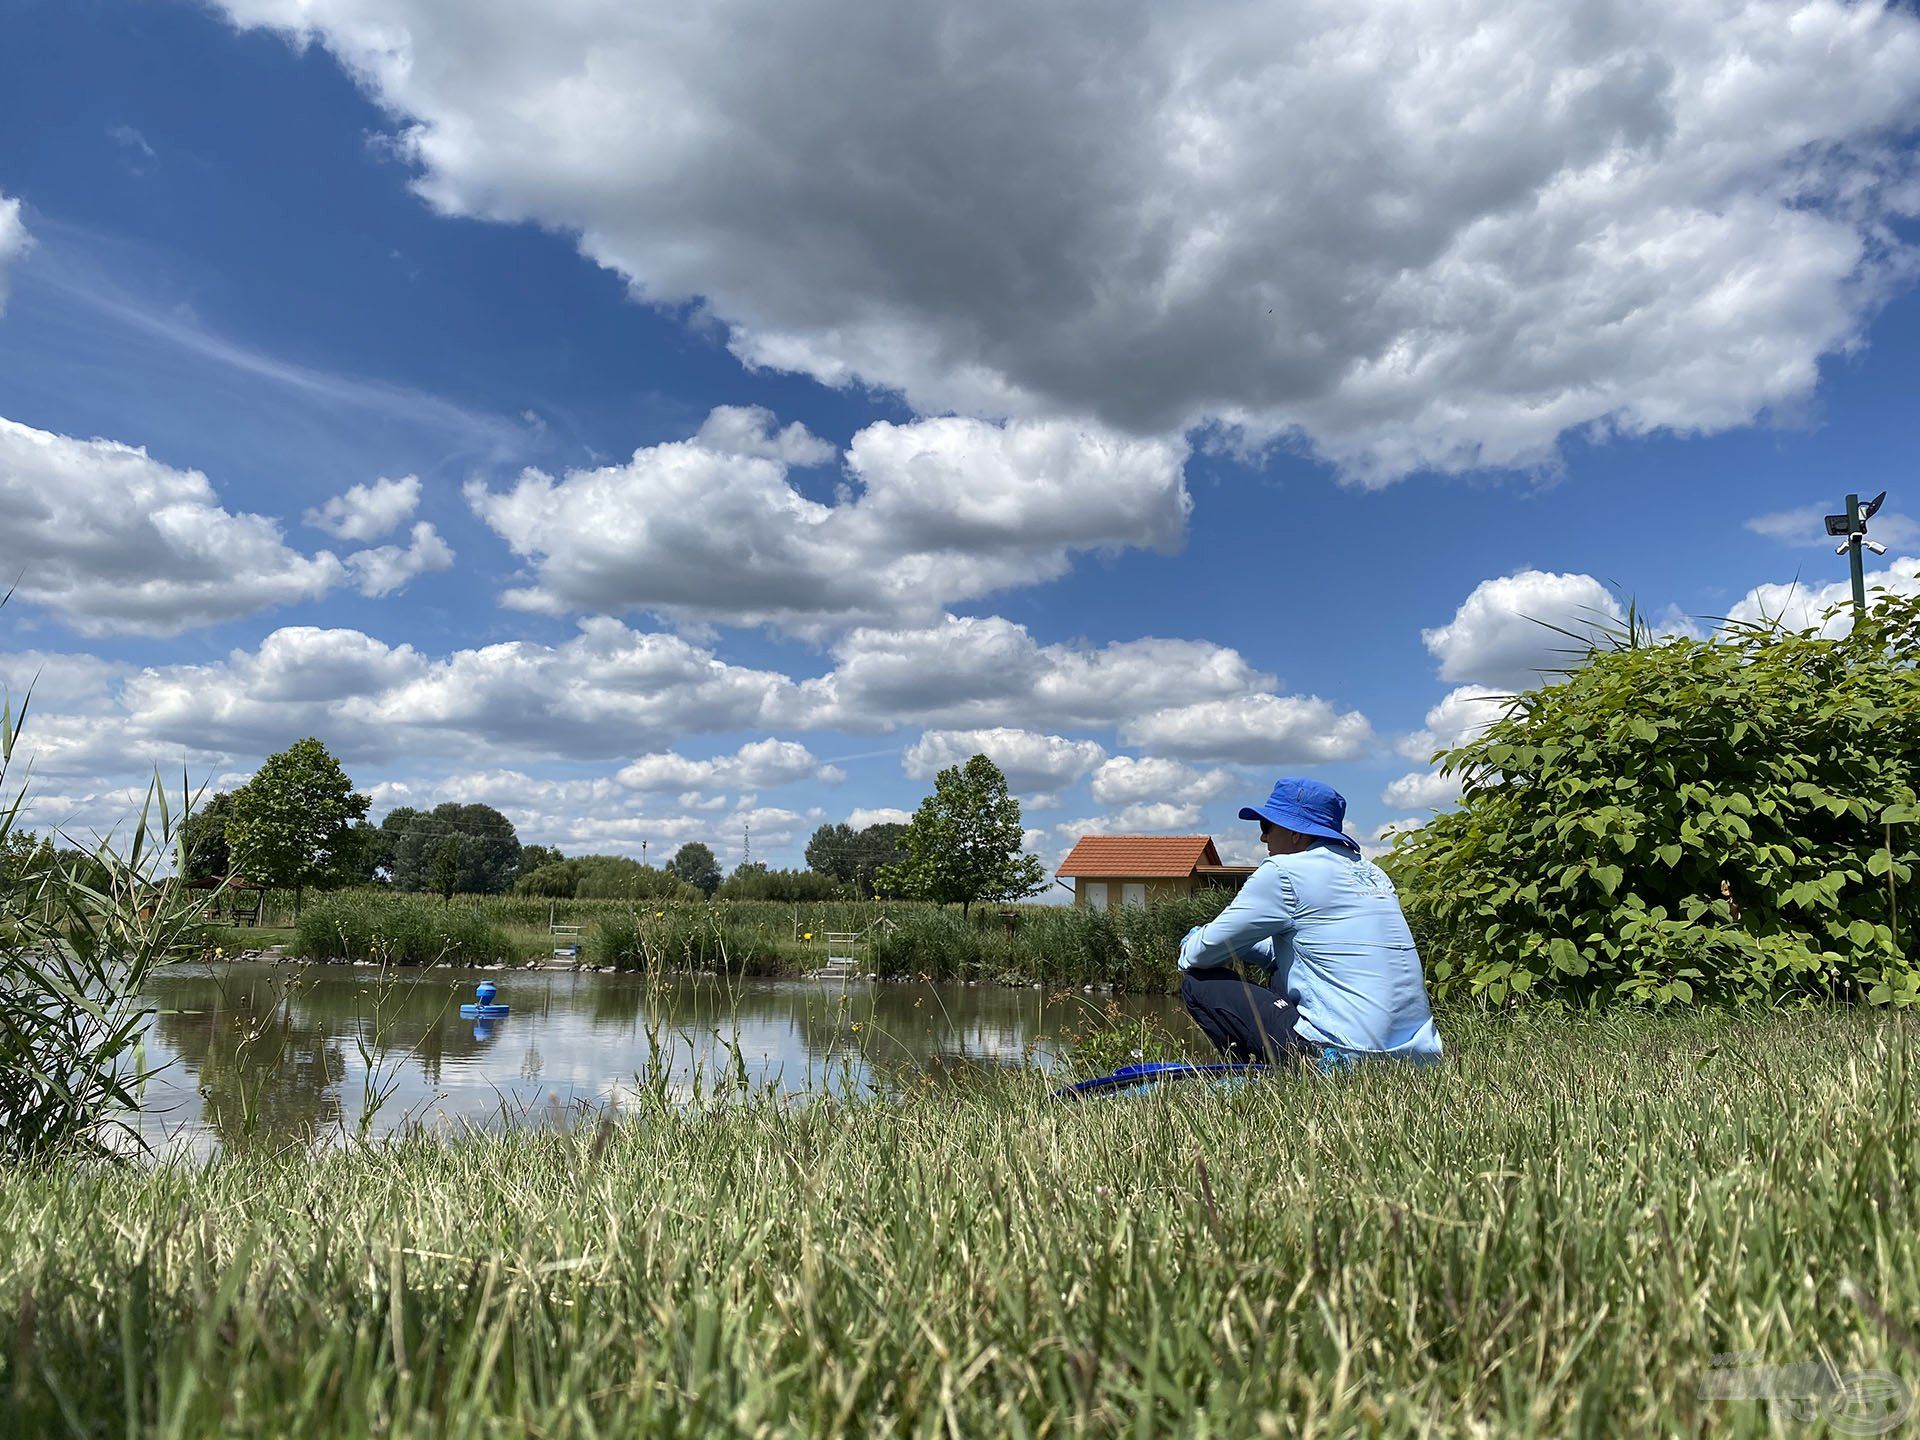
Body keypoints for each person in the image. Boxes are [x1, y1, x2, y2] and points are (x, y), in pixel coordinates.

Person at [1178, 777, 1441, 1068]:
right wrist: (1243, 948)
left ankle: (1253, 1074)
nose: (1262, 838)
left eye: (1267, 826)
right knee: (1280, 971)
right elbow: (1310, 948)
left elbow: (1200, 954)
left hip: (1343, 1057)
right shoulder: (1372, 873)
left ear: (1296, 834)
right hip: (1418, 1059)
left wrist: (1193, 940)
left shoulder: (1283, 872)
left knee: (1197, 981)